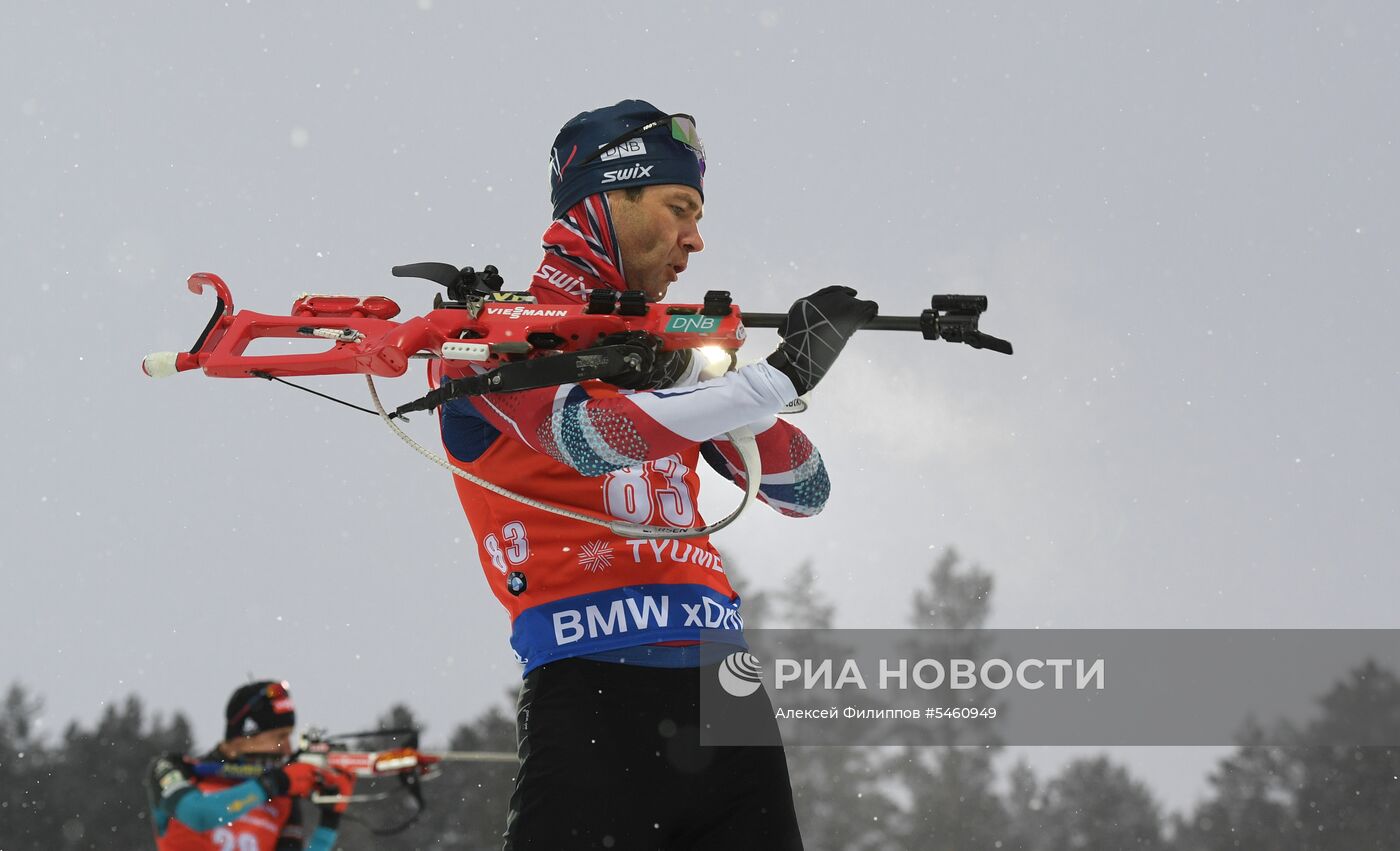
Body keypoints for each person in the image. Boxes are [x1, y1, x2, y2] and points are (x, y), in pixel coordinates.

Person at [434, 99, 878, 849]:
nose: (695, 239)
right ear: (608, 201)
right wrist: (771, 378)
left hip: (725, 692)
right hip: (593, 695)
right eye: (678, 207)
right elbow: (588, 436)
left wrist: (707, 383)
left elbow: (806, 487)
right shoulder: (492, 337)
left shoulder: (668, 352)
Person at [145, 680, 353, 851]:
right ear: (244, 737)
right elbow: (200, 815)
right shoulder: (175, 769)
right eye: (279, 737)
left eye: (290, 737)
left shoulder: (282, 798)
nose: (288, 749)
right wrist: (273, 784)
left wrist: (329, 821)